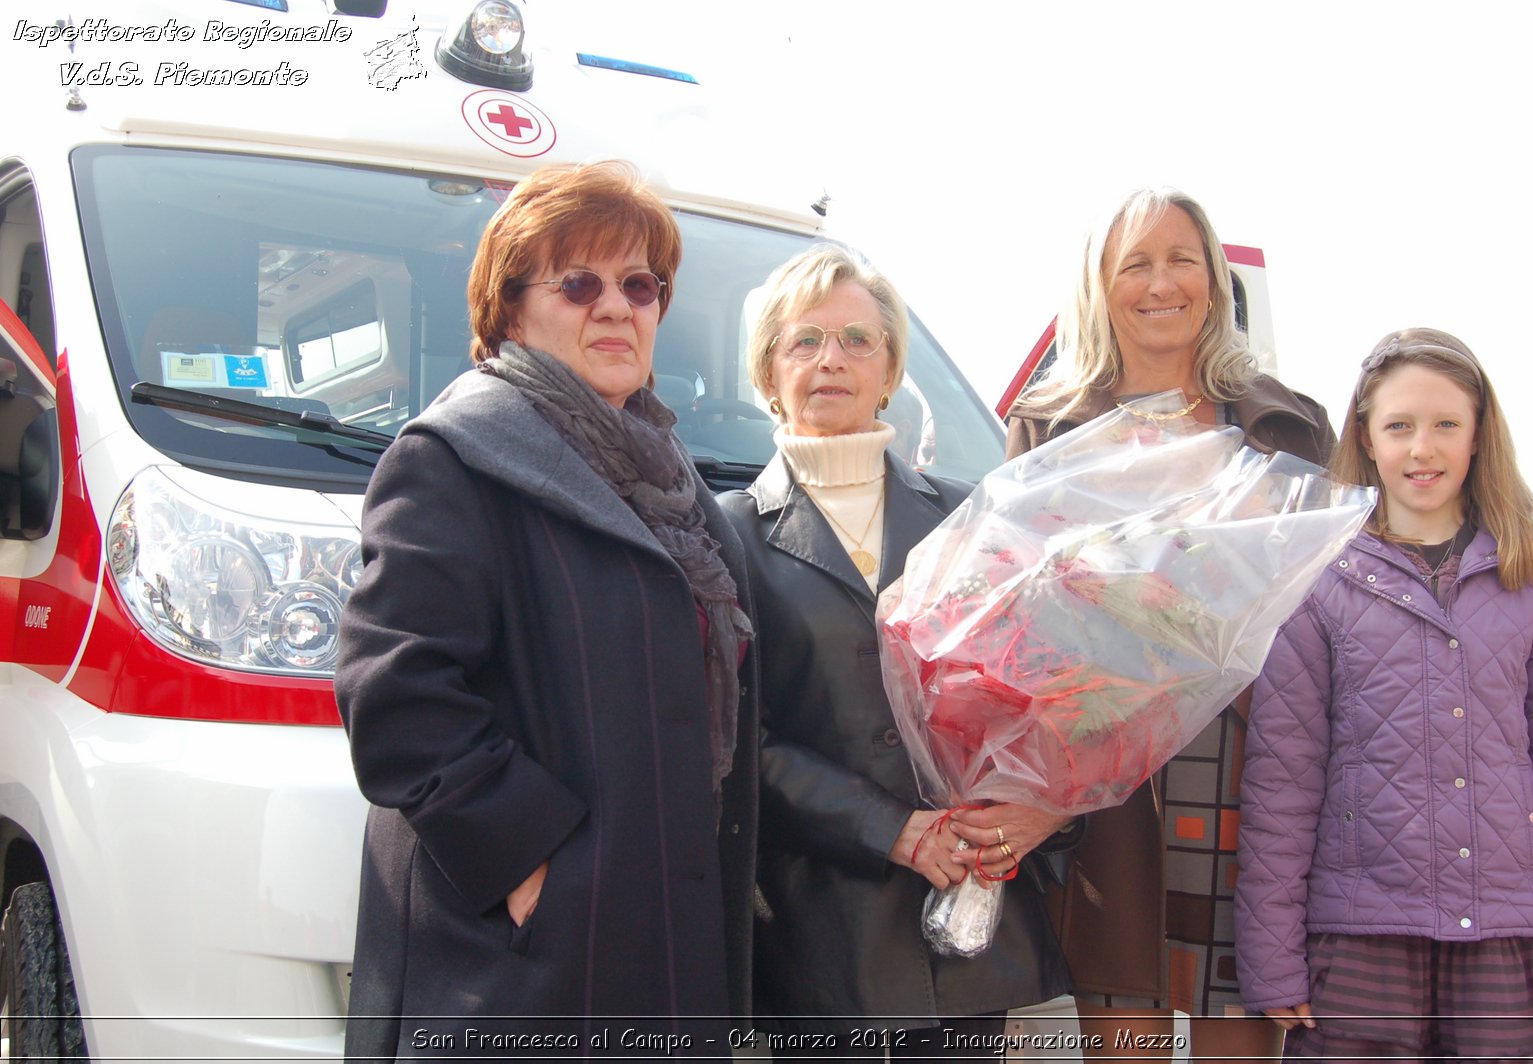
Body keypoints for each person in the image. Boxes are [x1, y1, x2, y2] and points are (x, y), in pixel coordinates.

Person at [336, 161, 758, 1058]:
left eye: (640, 284)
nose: (617, 307)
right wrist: (534, 870)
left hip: (664, 936)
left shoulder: (676, 483)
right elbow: (397, 693)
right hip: (523, 960)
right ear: (510, 308)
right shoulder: (454, 456)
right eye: (579, 283)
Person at [717, 244, 1077, 1055]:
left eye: (856, 340)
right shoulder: (725, 533)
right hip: (821, 936)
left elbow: (1047, 697)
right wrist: (892, 828)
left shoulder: (974, 516)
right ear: (768, 373)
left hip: (969, 927)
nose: (830, 360)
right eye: (803, 341)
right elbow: (732, 737)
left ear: (890, 371)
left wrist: (1040, 809)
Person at [1005, 187, 1335, 1062]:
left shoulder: (1287, 424)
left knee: (1241, 1032)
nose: (1162, 283)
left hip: (1256, 772)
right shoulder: (1046, 427)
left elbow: (1331, 607)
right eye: (1135, 263)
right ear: (1099, 285)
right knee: (1127, 1040)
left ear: (1215, 276)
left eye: (1182, 258)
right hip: (1111, 782)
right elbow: (1014, 618)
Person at [1236, 328, 1533, 1061]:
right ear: (1366, 438)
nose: (1422, 449)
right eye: (1399, 426)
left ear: (1477, 437)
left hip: (1511, 940)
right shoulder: (1318, 580)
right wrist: (1271, 956)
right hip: (1362, 941)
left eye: (1445, 426)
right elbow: (1283, 780)